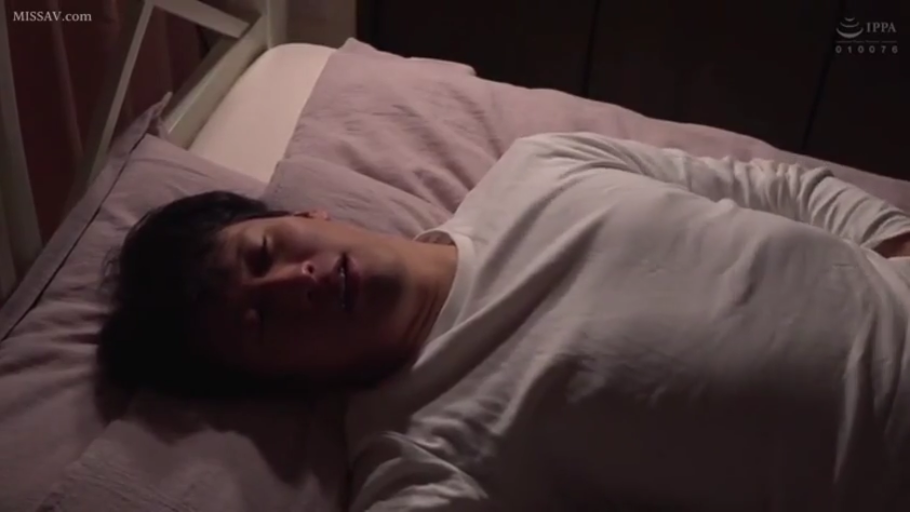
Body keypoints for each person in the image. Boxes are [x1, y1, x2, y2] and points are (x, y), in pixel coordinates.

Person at [99, 133, 910, 511]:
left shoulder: (539, 166)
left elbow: (771, 186)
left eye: (266, 251)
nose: (293, 283)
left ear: (309, 215)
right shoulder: (417, 453)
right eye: (260, 319)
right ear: (282, 383)